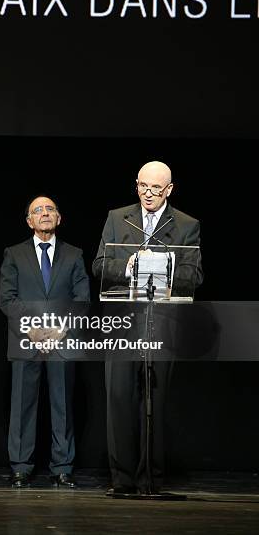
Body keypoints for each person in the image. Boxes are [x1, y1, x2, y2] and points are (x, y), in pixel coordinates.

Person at [93, 161, 202, 495]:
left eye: (156, 188)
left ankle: (150, 479)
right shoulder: (117, 217)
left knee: (153, 400)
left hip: (162, 325)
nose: (148, 194)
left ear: (169, 189)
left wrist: (165, 266)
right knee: (119, 400)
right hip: (122, 324)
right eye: (143, 186)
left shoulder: (185, 225)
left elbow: (194, 275)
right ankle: (122, 479)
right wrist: (126, 266)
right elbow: (99, 266)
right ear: (136, 185)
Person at [0, 195, 90, 488]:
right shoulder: (13, 254)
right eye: (38, 210)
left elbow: (82, 299)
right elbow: (7, 299)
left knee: (62, 404)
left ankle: (62, 466)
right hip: (25, 340)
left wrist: (59, 331)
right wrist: (34, 331)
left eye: (50, 209)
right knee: (23, 405)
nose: (45, 213)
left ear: (59, 218)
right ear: (29, 221)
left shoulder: (74, 254)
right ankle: (21, 467)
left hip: (63, 341)